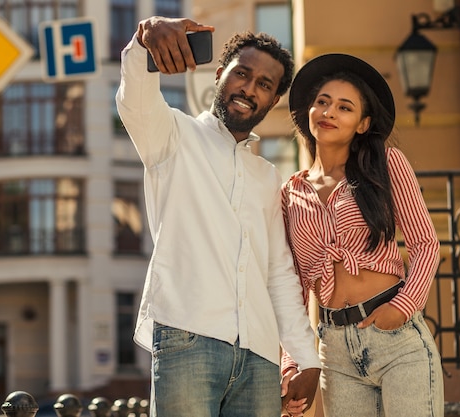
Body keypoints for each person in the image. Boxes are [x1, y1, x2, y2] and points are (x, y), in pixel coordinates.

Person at [116, 16, 321, 417]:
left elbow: (278, 273)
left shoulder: (267, 176)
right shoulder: (173, 135)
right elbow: (134, 100)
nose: (249, 89)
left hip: (260, 357)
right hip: (188, 339)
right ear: (219, 75)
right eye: (241, 74)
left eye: (264, 85)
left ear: (273, 101)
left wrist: (306, 357)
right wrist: (144, 40)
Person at [279, 53, 444, 417]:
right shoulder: (291, 193)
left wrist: (403, 308)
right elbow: (292, 286)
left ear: (363, 123)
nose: (329, 112)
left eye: (344, 107)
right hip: (333, 350)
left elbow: (425, 244)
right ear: (308, 112)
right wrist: (292, 362)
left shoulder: (387, 164)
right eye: (322, 102)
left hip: (395, 338)